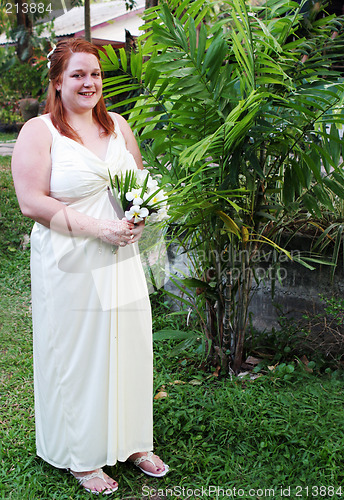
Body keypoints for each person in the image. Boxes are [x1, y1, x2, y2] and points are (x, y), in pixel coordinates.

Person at [11, 38, 169, 495]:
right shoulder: (39, 132)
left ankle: (133, 441)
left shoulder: (118, 126)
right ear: (58, 81)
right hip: (69, 259)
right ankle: (82, 455)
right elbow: (30, 202)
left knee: (129, 345)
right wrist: (98, 229)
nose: (89, 82)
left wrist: (140, 217)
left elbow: (138, 183)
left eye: (95, 74)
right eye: (78, 74)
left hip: (121, 256)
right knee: (78, 355)